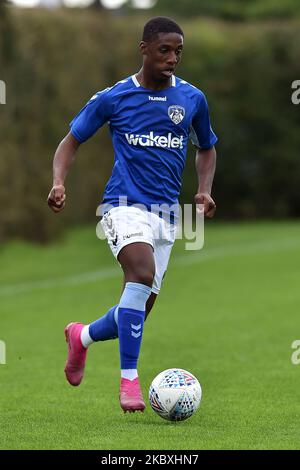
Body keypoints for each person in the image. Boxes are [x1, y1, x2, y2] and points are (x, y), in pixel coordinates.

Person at [47, 17, 217, 413]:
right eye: (165, 50)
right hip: (122, 207)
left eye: (178, 51)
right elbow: (70, 141)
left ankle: (82, 336)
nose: (172, 58)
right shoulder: (114, 97)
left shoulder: (192, 98)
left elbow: (206, 146)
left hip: (166, 216)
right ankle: (129, 382)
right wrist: (58, 181)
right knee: (139, 275)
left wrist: (204, 189)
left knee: (137, 307)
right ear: (144, 48)